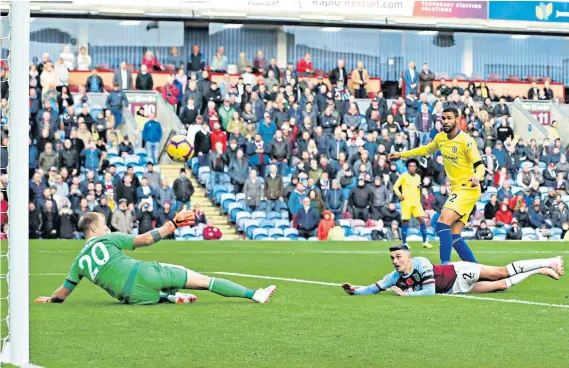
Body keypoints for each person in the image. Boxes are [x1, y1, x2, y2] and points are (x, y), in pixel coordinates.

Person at [35, 212, 276, 305]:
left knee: (141, 292)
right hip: (143, 273)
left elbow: (62, 295)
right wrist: (172, 225)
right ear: (95, 229)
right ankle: (255, 294)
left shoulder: (78, 263)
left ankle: (170, 297)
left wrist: (48, 300)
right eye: (105, 225)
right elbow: (146, 240)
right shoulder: (108, 239)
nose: (107, 228)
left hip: (132, 297)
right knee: (204, 281)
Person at [389, 107, 485, 265]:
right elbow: (426, 149)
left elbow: (480, 165)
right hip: (457, 189)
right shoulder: (440, 138)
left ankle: (444, 267)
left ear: (457, 119)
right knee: (454, 235)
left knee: (442, 222)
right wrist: (401, 155)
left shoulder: (466, 141)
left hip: (467, 188)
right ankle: (477, 270)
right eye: (443, 118)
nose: (445, 121)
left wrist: (477, 176)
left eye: (449, 118)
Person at [341, 244, 563, 297]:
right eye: (392, 258)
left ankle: (550, 260)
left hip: (459, 272)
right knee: (501, 286)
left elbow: (428, 291)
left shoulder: (421, 262)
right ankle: (540, 270)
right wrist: (355, 291)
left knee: (501, 273)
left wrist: (406, 294)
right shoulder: (395, 275)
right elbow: (375, 287)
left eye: (398, 257)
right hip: (455, 289)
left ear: (408, 256)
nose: (395, 261)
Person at [392, 159, 432, 248]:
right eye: (410, 166)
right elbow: (395, 186)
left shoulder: (418, 177)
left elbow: (418, 188)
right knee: (405, 222)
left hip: (416, 203)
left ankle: (425, 241)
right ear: (407, 167)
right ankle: (404, 242)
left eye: (414, 166)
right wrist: (399, 195)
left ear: (416, 167)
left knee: (422, 219)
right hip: (406, 202)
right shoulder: (403, 176)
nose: (412, 168)